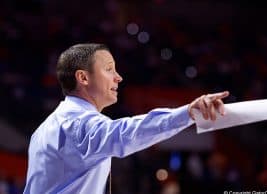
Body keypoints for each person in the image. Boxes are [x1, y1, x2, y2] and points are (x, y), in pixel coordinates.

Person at [23, 43, 229, 194]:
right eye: (109, 69)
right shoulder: (80, 125)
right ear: (83, 78)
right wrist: (187, 113)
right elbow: (127, 132)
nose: (118, 77)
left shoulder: (42, 130)